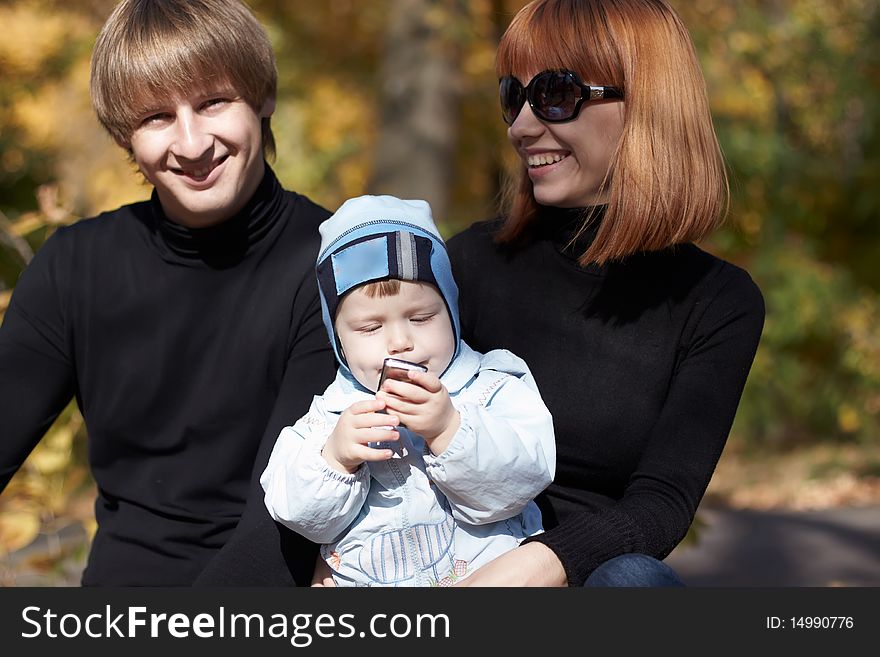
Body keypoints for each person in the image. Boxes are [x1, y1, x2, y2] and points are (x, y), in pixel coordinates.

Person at [0, 0, 336, 586]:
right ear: (124, 136)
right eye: (156, 117)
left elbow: (281, 523)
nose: (191, 142)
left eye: (213, 102)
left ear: (262, 98)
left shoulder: (336, 262)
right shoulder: (75, 267)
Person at [446, 0, 765, 586]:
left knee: (635, 582)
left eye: (555, 94)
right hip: (442, 559)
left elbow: (661, 505)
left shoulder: (717, 303)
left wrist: (525, 571)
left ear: (647, 105)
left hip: (578, 578)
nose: (520, 126)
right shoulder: (465, 263)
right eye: (512, 96)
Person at [260, 195, 555, 586]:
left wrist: (450, 430)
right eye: (370, 328)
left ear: (450, 312)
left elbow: (523, 480)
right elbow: (298, 514)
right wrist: (335, 459)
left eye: (420, 318)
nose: (399, 342)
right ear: (339, 342)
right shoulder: (327, 419)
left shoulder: (493, 384)